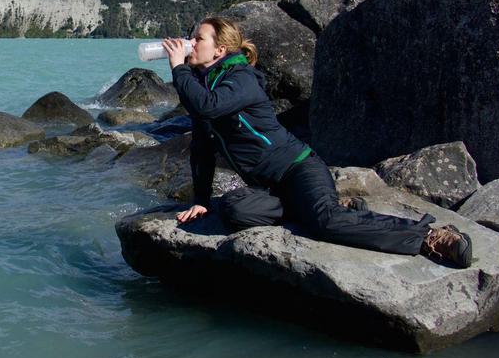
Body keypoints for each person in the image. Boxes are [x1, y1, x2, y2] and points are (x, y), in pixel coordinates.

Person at [161, 17, 473, 268]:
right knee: (233, 209)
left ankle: (429, 236)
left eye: (198, 38)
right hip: (270, 187)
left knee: (326, 223)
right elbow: (202, 147)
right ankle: (331, 206)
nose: (190, 42)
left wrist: (179, 68)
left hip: (298, 169)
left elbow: (207, 105)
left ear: (220, 50)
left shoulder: (239, 77)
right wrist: (200, 199)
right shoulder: (205, 85)